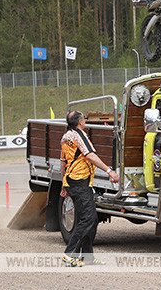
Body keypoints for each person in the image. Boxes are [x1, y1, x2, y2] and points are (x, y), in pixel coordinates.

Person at [60, 110, 119, 266]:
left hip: (73, 181)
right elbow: (90, 155)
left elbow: (63, 161)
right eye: (84, 119)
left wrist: (63, 183)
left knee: (86, 218)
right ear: (80, 122)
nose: (85, 121)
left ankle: (87, 257)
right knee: (89, 218)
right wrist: (109, 171)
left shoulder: (66, 136)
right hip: (79, 181)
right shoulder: (79, 136)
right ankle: (69, 254)